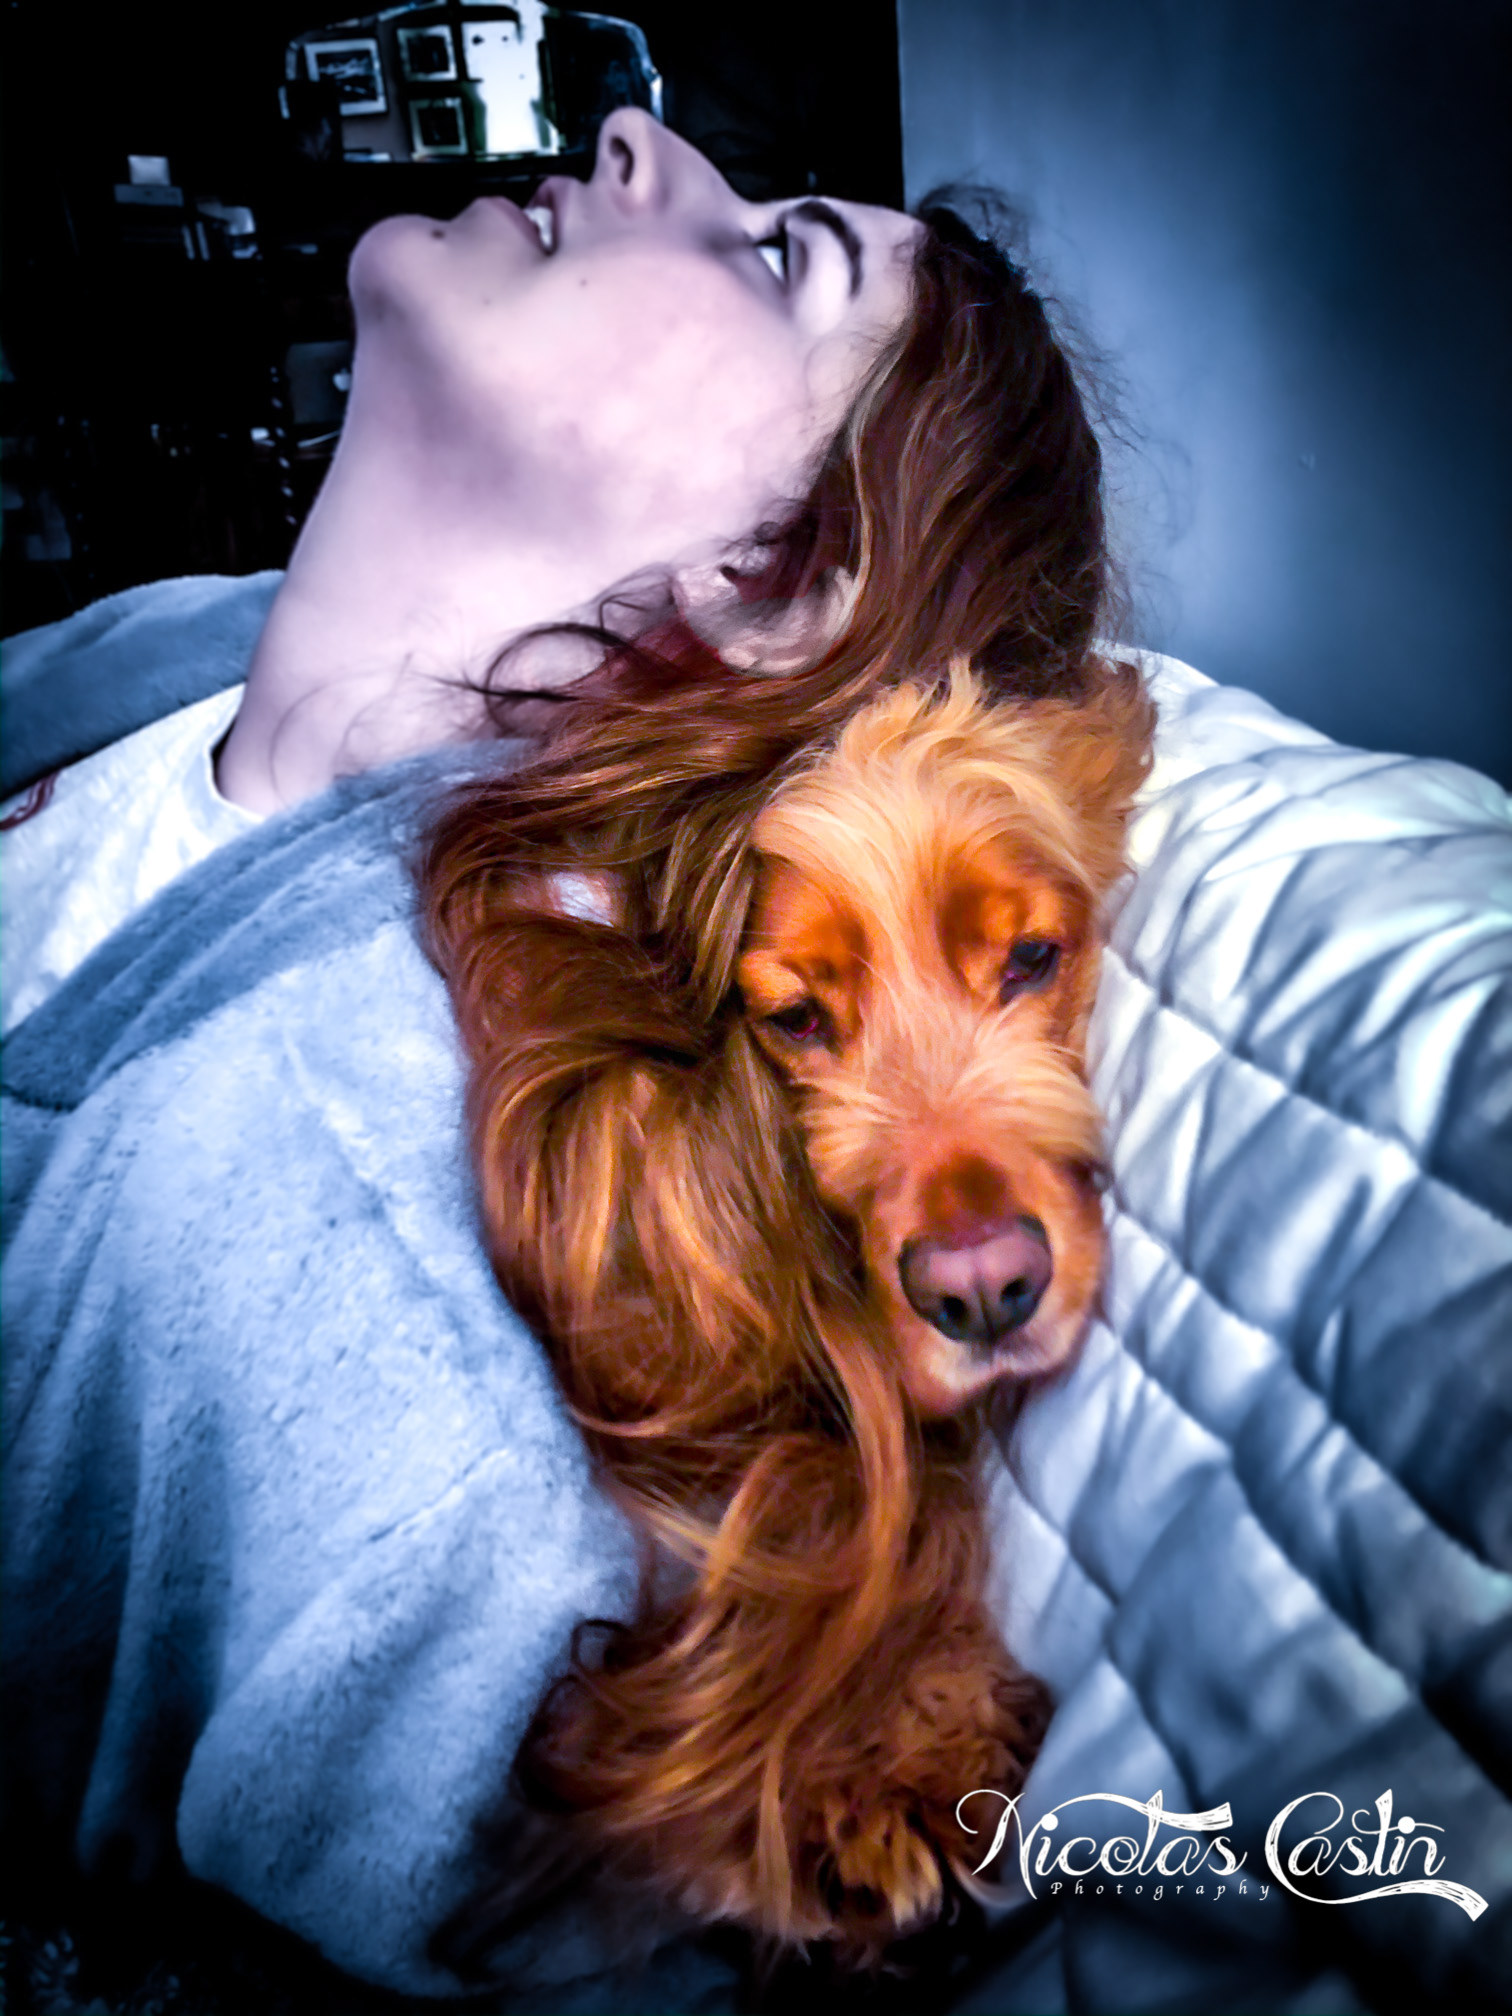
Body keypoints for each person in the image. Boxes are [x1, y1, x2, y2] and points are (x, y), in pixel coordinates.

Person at [2, 108, 1122, 2004]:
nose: (637, 132)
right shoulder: (161, 648)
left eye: (778, 255)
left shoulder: (359, 1282)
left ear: (772, 585)